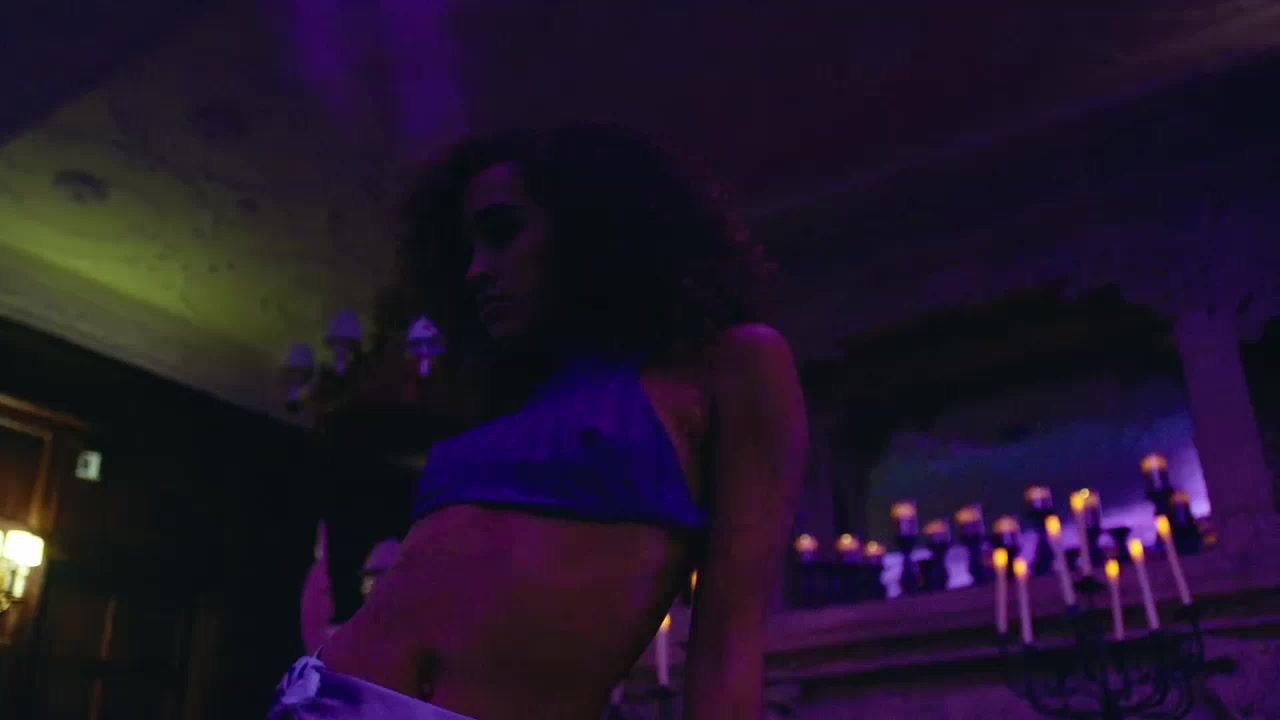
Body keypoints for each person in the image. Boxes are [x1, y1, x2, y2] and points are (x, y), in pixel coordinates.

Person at [269, 124, 808, 720]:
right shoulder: (518, 400)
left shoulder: (730, 365)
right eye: (465, 251)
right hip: (319, 701)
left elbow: (728, 647)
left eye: (502, 232)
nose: (475, 270)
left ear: (593, 228)